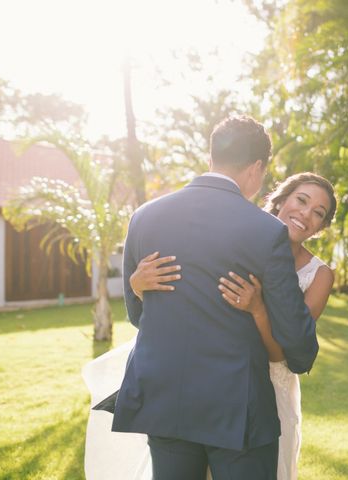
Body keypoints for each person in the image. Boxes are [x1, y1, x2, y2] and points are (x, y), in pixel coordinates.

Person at [84, 116, 319, 480]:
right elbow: (296, 341)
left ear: (213, 155)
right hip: (236, 409)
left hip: (164, 400)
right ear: (256, 168)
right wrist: (302, 353)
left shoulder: (144, 217)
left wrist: (135, 283)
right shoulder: (267, 231)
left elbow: (137, 314)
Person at [131, 172, 336, 479]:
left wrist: (257, 309)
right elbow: (189, 296)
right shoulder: (241, 236)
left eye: (318, 213)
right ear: (282, 198)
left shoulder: (319, 275)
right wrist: (136, 284)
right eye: (301, 200)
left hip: (267, 391)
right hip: (206, 381)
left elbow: (286, 353)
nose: (306, 214)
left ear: (322, 226)